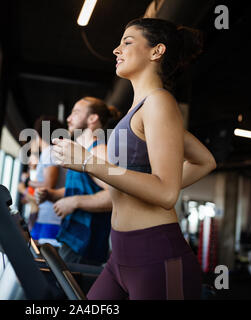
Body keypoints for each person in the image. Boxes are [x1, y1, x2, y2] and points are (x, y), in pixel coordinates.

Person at [51, 18, 217, 299]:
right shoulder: (138, 111)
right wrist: (148, 189)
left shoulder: (159, 102)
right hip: (120, 256)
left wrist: (89, 163)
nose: (117, 50)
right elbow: (205, 161)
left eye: (127, 42)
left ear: (156, 51)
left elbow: (166, 192)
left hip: (157, 256)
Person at [36, 97, 120, 266]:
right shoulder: (82, 152)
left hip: (85, 245)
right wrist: (51, 194)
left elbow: (116, 195)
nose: (68, 118)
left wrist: (74, 201)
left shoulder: (99, 152)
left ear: (92, 118)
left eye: (75, 112)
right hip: (74, 239)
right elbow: (84, 189)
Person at [27, 116, 67, 247]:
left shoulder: (49, 152)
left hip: (52, 218)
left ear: (37, 134)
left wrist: (29, 181)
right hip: (46, 216)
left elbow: (49, 185)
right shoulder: (50, 153)